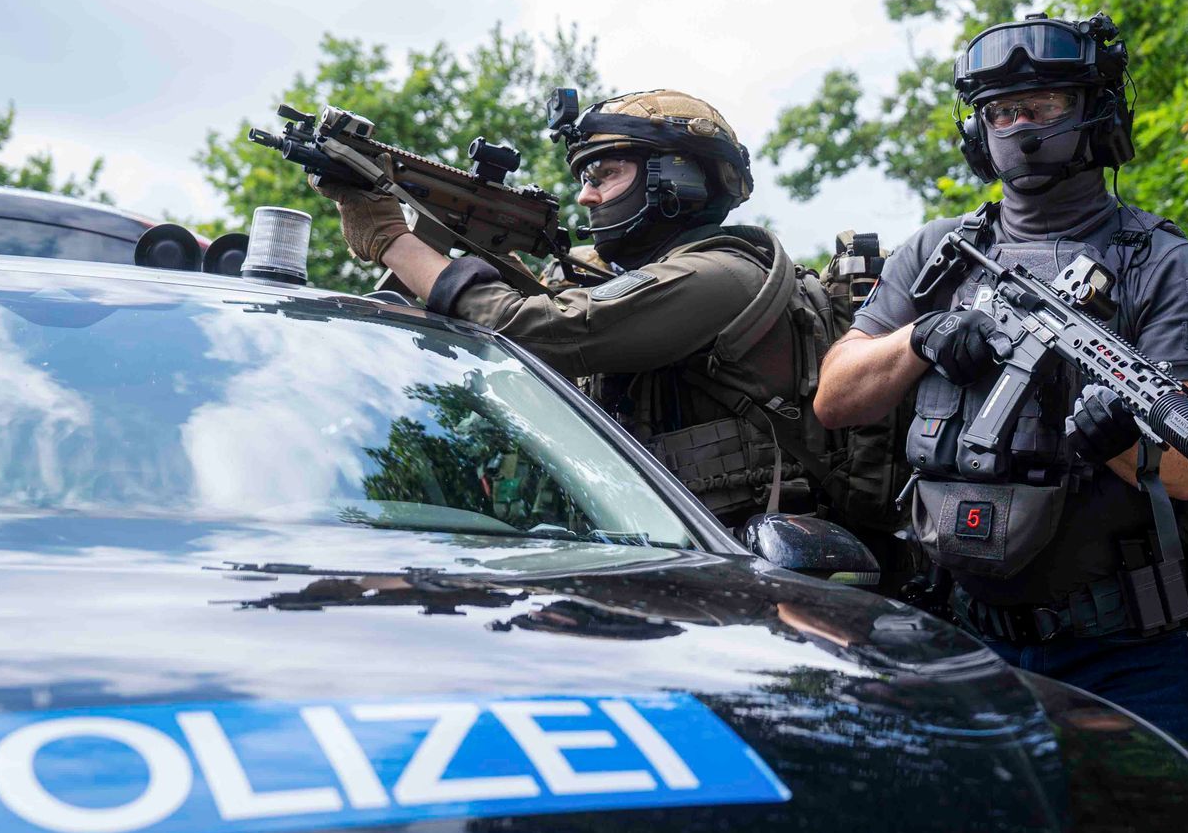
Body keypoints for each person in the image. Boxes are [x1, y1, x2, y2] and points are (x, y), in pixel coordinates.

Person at [812, 13, 1188, 753]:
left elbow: (1186, 472)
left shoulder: (1168, 269)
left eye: (1041, 106)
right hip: (957, 637)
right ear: (978, 133)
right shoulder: (940, 255)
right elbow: (835, 398)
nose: (1018, 125)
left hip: (1118, 651)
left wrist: (1107, 440)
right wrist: (923, 337)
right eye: (999, 111)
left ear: (1094, 113)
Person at [311, 89, 828, 528]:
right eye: (584, 178)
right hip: (668, 545)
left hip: (743, 562)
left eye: (604, 174)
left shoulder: (719, 275)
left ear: (679, 178)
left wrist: (392, 241)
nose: (585, 197)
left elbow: (536, 333)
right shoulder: (663, 276)